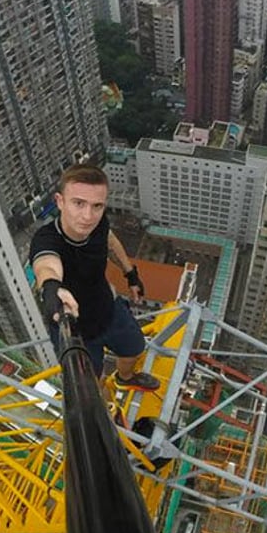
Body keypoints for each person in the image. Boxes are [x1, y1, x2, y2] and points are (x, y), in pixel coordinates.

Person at [29, 164, 160, 390]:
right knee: (91, 385)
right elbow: (47, 265)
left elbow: (110, 242)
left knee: (135, 349)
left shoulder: (98, 225)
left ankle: (125, 378)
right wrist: (52, 287)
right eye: (78, 203)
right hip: (75, 330)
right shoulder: (46, 239)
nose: (88, 216)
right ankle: (106, 409)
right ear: (60, 201)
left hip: (108, 310)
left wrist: (130, 274)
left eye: (97, 206)